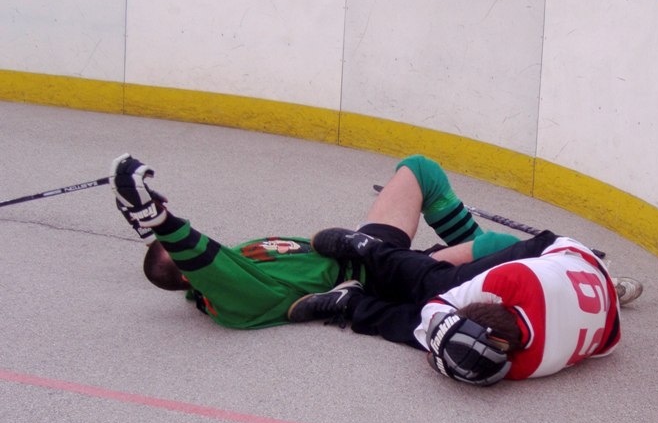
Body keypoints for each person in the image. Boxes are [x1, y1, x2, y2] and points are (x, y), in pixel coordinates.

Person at [111, 152, 615, 329]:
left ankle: (492, 269)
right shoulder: (232, 300)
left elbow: (207, 254)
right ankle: (576, 274)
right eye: (188, 253)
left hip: (365, 247)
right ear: (190, 277)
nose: (207, 244)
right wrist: (161, 222)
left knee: (419, 170)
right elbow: (204, 262)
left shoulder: (235, 257)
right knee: (491, 248)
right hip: (378, 278)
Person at [289, 228, 631, 386]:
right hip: (557, 253)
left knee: (445, 342)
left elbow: (608, 346)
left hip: (584, 296)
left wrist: (442, 345)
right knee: (436, 283)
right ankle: (369, 248)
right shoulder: (513, 280)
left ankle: (351, 303)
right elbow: (435, 308)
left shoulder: (525, 366)